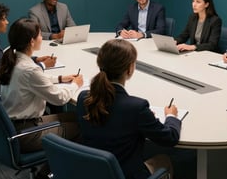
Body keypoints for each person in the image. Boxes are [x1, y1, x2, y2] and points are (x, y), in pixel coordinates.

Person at [77, 39, 181, 179]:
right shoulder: (137, 108)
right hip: (125, 174)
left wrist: (144, 117)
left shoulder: (84, 97)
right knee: (164, 161)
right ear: (130, 69)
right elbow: (170, 138)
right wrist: (171, 117)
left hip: (90, 171)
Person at [0, 18, 83, 153]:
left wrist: (60, 78)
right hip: (26, 134)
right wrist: (75, 84)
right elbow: (59, 98)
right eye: (40, 35)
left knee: (77, 117)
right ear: (32, 41)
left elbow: (32, 80)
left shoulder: (14, 59)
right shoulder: (29, 69)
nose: (42, 38)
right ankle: (52, 170)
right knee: (83, 127)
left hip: (16, 125)